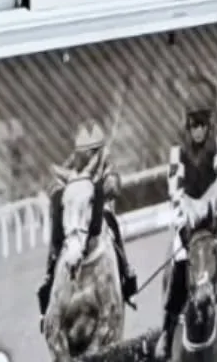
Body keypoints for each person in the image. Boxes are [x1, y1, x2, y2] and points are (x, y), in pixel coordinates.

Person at [158, 78, 217, 360]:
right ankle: (168, 330)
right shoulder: (177, 149)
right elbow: (174, 189)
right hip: (189, 217)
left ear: (208, 124)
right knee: (178, 260)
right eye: (193, 124)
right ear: (188, 125)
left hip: (211, 215)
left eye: (202, 124)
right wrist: (182, 222)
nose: (198, 130)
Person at [36, 121, 140, 318]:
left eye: (93, 151)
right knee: (58, 230)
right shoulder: (73, 162)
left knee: (112, 224)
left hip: (98, 210)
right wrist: (63, 190)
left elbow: (115, 184)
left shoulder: (107, 160)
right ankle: (49, 277)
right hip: (78, 211)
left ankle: (126, 274)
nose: (89, 156)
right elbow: (55, 181)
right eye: (85, 152)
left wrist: (103, 186)